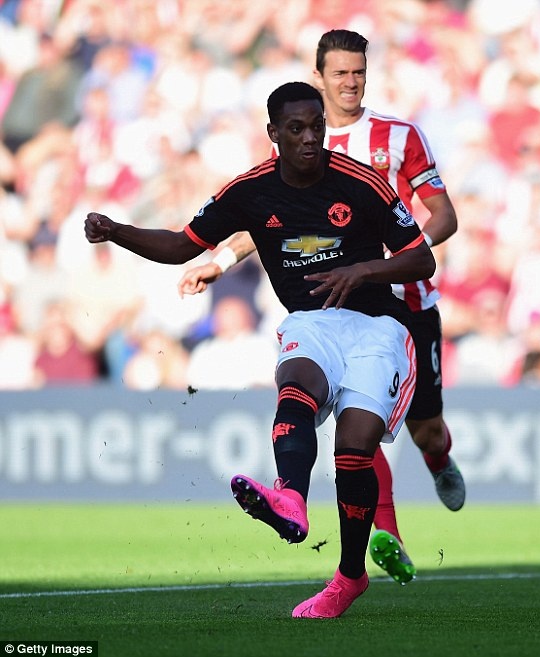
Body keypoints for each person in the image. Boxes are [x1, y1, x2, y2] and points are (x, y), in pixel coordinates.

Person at [85, 81, 436, 618]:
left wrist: (364, 269)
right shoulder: (249, 191)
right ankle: (289, 497)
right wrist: (116, 231)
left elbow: (420, 259)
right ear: (274, 133)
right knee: (296, 383)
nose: (310, 138)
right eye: (296, 129)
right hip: (312, 321)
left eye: (316, 126)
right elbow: (181, 245)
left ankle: (349, 576)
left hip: (377, 326)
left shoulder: (360, 181)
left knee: (354, 448)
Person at [178, 30, 464, 584]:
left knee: (427, 429)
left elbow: (443, 215)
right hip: (334, 303)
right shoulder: (300, 134)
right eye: (340, 73)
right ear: (320, 77)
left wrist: (383, 259)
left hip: (402, 294)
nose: (350, 83)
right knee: (353, 419)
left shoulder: (398, 137)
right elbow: (272, 219)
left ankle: (437, 459)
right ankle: (385, 534)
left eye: (359, 72)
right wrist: (221, 259)